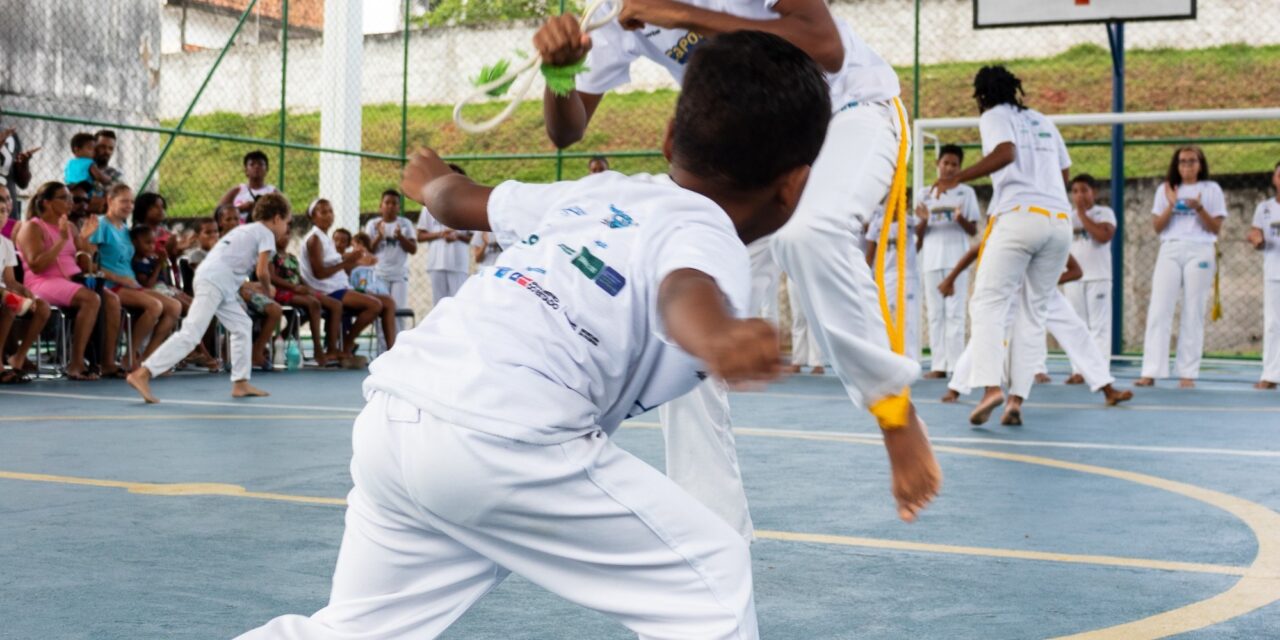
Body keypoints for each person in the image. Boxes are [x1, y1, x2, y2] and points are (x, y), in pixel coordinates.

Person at [237, 33, 933, 640]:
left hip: (398, 411)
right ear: (796, 188)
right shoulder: (708, 233)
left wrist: (432, 181)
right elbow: (682, 290)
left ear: (667, 142)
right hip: (505, 435)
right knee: (714, 582)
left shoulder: (596, 193)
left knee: (353, 630)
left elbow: (469, 202)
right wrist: (717, 334)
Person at [534, 0, 936, 538]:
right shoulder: (611, 9)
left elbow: (825, 47)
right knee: (689, 326)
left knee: (809, 235)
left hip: (848, 111)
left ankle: (894, 412)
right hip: (750, 154)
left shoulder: (660, 9)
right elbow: (567, 132)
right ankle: (711, 533)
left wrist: (679, 15)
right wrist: (559, 74)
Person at [933, 66, 1073, 426]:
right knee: (1033, 312)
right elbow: (1064, 175)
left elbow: (1006, 152)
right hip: (1059, 221)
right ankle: (1015, 400)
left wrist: (957, 177)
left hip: (1019, 216)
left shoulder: (994, 115)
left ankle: (989, 388)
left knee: (988, 303)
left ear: (981, 96)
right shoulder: (1044, 121)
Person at [126, 194, 292, 403]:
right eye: (286, 223)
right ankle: (143, 373)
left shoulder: (245, 230)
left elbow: (231, 263)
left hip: (216, 281)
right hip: (215, 282)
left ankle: (240, 382)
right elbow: (262, 271)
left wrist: (253, 285)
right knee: (191, 333)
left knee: (242, 325)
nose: (286, 228)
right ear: (277, 218)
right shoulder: (266, 232)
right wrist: (267, 289)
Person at [938, 243, 1133, 418]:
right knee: (983, 339)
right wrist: (950, 278)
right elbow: (974, 250)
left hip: (1044, 295)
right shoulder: (1010, 230)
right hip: (1011, 296)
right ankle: (955, 388)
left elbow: (1076, 271)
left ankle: (1107, 389)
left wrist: (1043, 282)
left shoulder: (1052, 232)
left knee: (1077, 331)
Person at [1135, 146, 1228, 388]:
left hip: (1201, 248)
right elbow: (1158, 226)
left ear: (1200, 164)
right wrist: (1172, 204)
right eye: (1182, 161)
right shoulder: (1165, 190)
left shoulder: (1211, 189)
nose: (1187, 166)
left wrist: (1198, 208)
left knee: (1193, 309)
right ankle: (1151, 370)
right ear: (1176, 165)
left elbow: (1215, 227)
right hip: (1171, 247)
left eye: (1192, 161)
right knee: (1159, 308)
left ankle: (1187, 372)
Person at [15, 182, 122, 380]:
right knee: (91, 299)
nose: (70, 202)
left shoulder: (71, 227)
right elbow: (37, 265)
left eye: (70, 198)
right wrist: (62, 240)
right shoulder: (31, 227)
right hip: (43, 282)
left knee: (112, 300)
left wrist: (84, 240)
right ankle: (76, 363)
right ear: (46, 203)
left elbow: (83, 264)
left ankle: (106, 362)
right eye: (64, 198)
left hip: (72, 280)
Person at [87, 184, 180, 365]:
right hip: (110, 284)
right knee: (155, 306)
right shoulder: (100, 225)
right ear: (110, 201)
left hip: (131, 283)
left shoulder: (124, 229)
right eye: (124, 201)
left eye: (131, 202)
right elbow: (90, 264)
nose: (129, 206)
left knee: (174, 307)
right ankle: (130, 357)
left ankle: (147, 359)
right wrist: (117, 278)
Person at [299, 199, 396, 365]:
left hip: (339, 286)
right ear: (313, 216)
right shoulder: (314, 239)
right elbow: (320, 273)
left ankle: (393, 353)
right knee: (374, 305)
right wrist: (346, 261)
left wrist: (357, 260)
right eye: (323, 212)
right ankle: (346, 345)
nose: (329, 215)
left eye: (330, 211)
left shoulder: (324, 238)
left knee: (388, 302)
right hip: (325, 289)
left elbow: (339, 266)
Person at [916, 144, 980, 378]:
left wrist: (960, 218)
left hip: (957, 260)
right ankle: (938, 365)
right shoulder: (925, 194)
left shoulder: (966, 193)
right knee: (935, 314)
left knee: (955, 313)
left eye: (954, 165)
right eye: (946, 163)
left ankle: (955, 365)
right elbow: (918, 237)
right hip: (932, 260)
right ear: (937, 164)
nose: (949, 168)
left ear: (959, 168)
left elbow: (973, 229)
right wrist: (923, 221)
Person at [1061, 174, 1117, 385]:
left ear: (1094, 192)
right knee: (1077, 325)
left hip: (1098, 277)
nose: (1079, 195)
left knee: (1099, 328)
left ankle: (1099, 372)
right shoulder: (1066, 216)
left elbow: (1103, 236)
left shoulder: (1104, 213)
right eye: (1075, 191)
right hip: (1074, 278)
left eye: (1084, 190)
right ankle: (1078, 370)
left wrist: (1083, 216)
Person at [269, 232, 343, 367]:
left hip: (297, 290)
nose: (284, 238)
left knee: (335, 304)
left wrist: (309, 289)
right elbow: (272, 278)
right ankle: (317, 349)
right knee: (313, 303)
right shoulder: (270, 256)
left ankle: (333, 349)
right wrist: (294, 287)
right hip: (282, 291)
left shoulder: (291, 257)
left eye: (287, 235)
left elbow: (298, 277)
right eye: (280, 235)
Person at [0, 185, 49, 382]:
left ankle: (18, 358)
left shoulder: (6, 243)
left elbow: (10, 280)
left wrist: (27, 292)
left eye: (3, 211)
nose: (2, 216)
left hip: (2, 292)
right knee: (11, 302)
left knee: (42, 307)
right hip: (1, 294)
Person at [866, 204, 923, 364]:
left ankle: (909, 360)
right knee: (882, 319)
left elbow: (920, 240)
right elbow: (870, 255)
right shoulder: (877, 225)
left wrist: (923, 220)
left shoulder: (910, 222)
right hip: (885, 277)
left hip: (907, 277)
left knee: (908, 320)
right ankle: (885, 359)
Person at [416, 164, 473, 306]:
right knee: (439, 305)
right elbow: (420, 236)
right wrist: (441, 234)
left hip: (458, 264)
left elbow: (473, 238)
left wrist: (458, 236)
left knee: (458, 304)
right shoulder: (429, 205)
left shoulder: (468, 205)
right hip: (436, 263)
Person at [363, 189, 417, 334]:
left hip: (399, 275)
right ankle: (382, 349)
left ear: (399, 207)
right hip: (379, 275)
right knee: (382, 311)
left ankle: (398, 347)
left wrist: (400, 236)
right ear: (381, 205)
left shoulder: (405, 224)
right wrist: (379, 236)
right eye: (387, 203)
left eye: (394, 203)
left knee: (398, 313)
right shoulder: (372, 224)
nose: (390, 206)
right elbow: (368, 251)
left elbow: (413, 249)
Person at [1249, 160, 1280, 390]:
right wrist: (1256, 240)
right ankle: (1270, 374)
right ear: (1274, 179)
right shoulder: (1264, 208)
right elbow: (1255, 234)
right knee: (1273, 324)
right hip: (1274, 272)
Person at [218, 150, 280, 223]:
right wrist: (240, 209)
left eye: (260, 164)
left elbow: (284, 215)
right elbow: (219, 212)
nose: (256, 167)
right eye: (252, 164)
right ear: (246, 171)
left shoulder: (273, 192)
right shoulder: (237, 191)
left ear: (266, 170)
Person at [784, 274, 823, 374]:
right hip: (793, 275)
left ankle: (817, 363)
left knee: (814, 318)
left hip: (812, 274)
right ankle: (797, 361)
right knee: (798, 317)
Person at [0, 120, 37, 220]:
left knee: (9, 235)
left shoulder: (10, 135)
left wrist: (23, 164)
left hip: (8, 214)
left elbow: (23, 183)